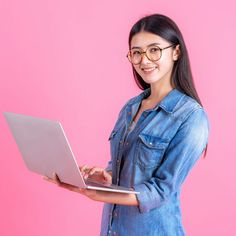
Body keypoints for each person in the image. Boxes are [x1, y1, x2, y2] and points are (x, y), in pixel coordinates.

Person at [45, 13, 210, 236]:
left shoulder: (191, 117)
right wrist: (107, 178)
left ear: (176, 52)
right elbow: (125, 166)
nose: (144, 60)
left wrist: (95, 194)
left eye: (154, 50)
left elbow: (161, 190)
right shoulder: (131, 107)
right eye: (137, 52)